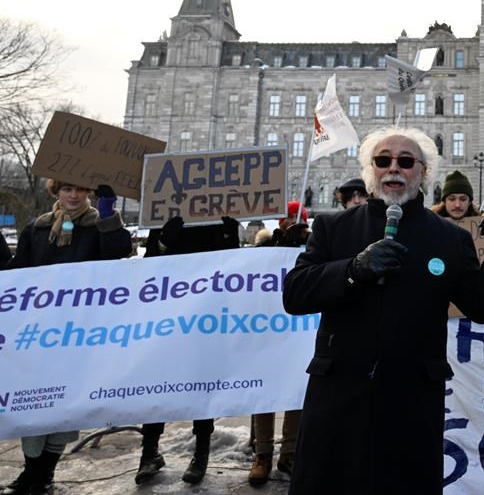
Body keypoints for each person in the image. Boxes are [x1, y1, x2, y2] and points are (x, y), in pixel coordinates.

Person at [282, 126, 484, 493]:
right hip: (339, 396)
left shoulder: (450, 237)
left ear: (423, 172)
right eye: (383, 160)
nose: (394, 168)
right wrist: (352, 270)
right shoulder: (333, 227)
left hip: (410, 400)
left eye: (406, 161)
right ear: (370, 169)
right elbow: (295, 294)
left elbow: (482, 305)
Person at [2, 181, 131, 495]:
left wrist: (108, 217)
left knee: (61, 404)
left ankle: (45, 474)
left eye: (80, 190)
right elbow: (17, 272)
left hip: (80, 334)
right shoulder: (37, 228)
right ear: (55, 192)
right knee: (33, 403)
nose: (73, 195)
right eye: (66, 189)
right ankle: (30, 473)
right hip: (39, 332)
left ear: (89, 194)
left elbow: (119, 252)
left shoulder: (98, 226)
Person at [134, 215, 240, 486]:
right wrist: (164, 243)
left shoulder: (219, 219)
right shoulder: (164, 218)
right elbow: (150, 264)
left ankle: (200, 453)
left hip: (205, 315)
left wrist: (229, 236)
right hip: (169, 313)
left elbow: (234, 266)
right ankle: (150, 452)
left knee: (200, 381)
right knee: (158, 380)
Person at [248, 201, 310, 486]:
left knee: (296, 391)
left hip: (298, 331)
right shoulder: (265, 246)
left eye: (296, 221)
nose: (291, 225)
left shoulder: (313, 245)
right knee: (264, 390)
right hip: (266, 328)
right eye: (286, 221)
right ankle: (262, 454)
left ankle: (290, 451)